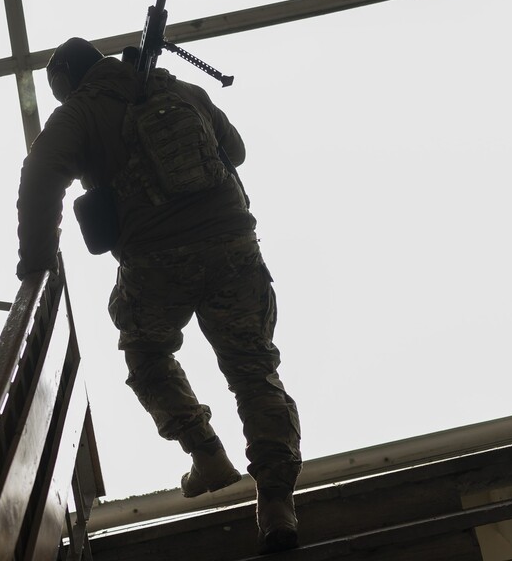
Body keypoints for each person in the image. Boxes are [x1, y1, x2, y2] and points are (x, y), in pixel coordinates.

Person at [15, 37, 302, 552]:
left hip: (155, 261)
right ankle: (276, 501)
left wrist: (35, 262)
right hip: (232, 246)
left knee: (147, 356)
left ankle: (205, 451)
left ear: (65, 83)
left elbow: (39, 177)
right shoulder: (183, 91)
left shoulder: (79, 114)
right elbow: (234, 151)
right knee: (253, 367)